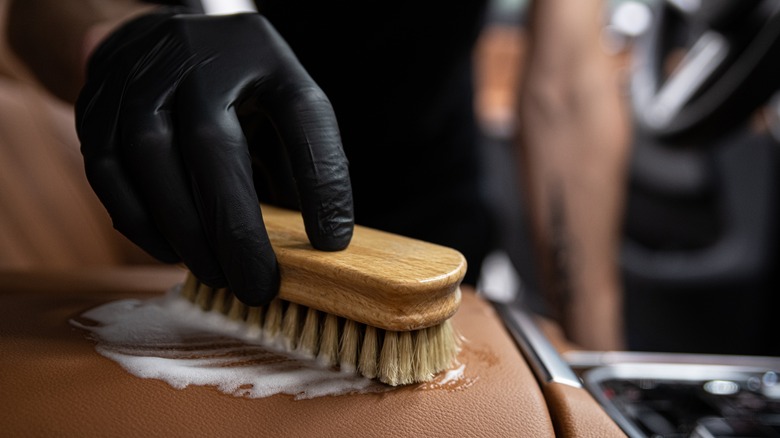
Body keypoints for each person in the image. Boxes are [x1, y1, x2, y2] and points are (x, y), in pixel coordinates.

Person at [6, 0, 628, 350]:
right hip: (216, 238)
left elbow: (568, 89)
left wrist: (601, 359)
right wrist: (121, 38)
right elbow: (39, 13)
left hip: (445, 231)